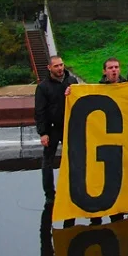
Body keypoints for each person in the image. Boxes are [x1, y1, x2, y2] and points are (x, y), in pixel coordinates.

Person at [34, 56, 81, 203]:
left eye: (61, 65)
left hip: (69, 127)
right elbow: (39, 111)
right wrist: (43, 133)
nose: (60, 68)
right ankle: (49, 194)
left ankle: (74, 189)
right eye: (56, 66)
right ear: (49, 68)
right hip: (52, 129)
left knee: (75, 159)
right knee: (48, 161)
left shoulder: (72, 81)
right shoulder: (43, 87)